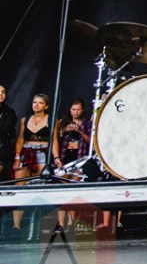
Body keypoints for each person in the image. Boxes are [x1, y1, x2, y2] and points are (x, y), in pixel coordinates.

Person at [10, 93, 60, 236]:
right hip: (26, 153)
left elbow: (54, 139)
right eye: (34, 102)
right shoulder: (25, 120)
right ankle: (16, 226)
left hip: (42, 153)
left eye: (40, 103)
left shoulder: (51, 120)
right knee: (19, 187)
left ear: (46, 106)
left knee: (43, 187)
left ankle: (48, 225)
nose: (36, 105)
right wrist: (17, 157)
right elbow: (20, 139)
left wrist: (56, 157)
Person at [55, 99, 93, 231]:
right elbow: (55, 139)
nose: (76, 112)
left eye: (78, 109)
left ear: (82, 110)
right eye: (73, 109)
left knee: (73, 189)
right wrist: (65, 130)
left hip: (79, 157)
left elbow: (91, 142)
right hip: (65, 156)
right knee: (61, 189)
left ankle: (71, 222)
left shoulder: (87, 123)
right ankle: (60, 223)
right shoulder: (62, 122)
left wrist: (80, 132)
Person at [0, 85, 19, 181]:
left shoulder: (9, 112)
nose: (1, 94)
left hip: (2, 150)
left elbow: (6, 128)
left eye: (3, 92)